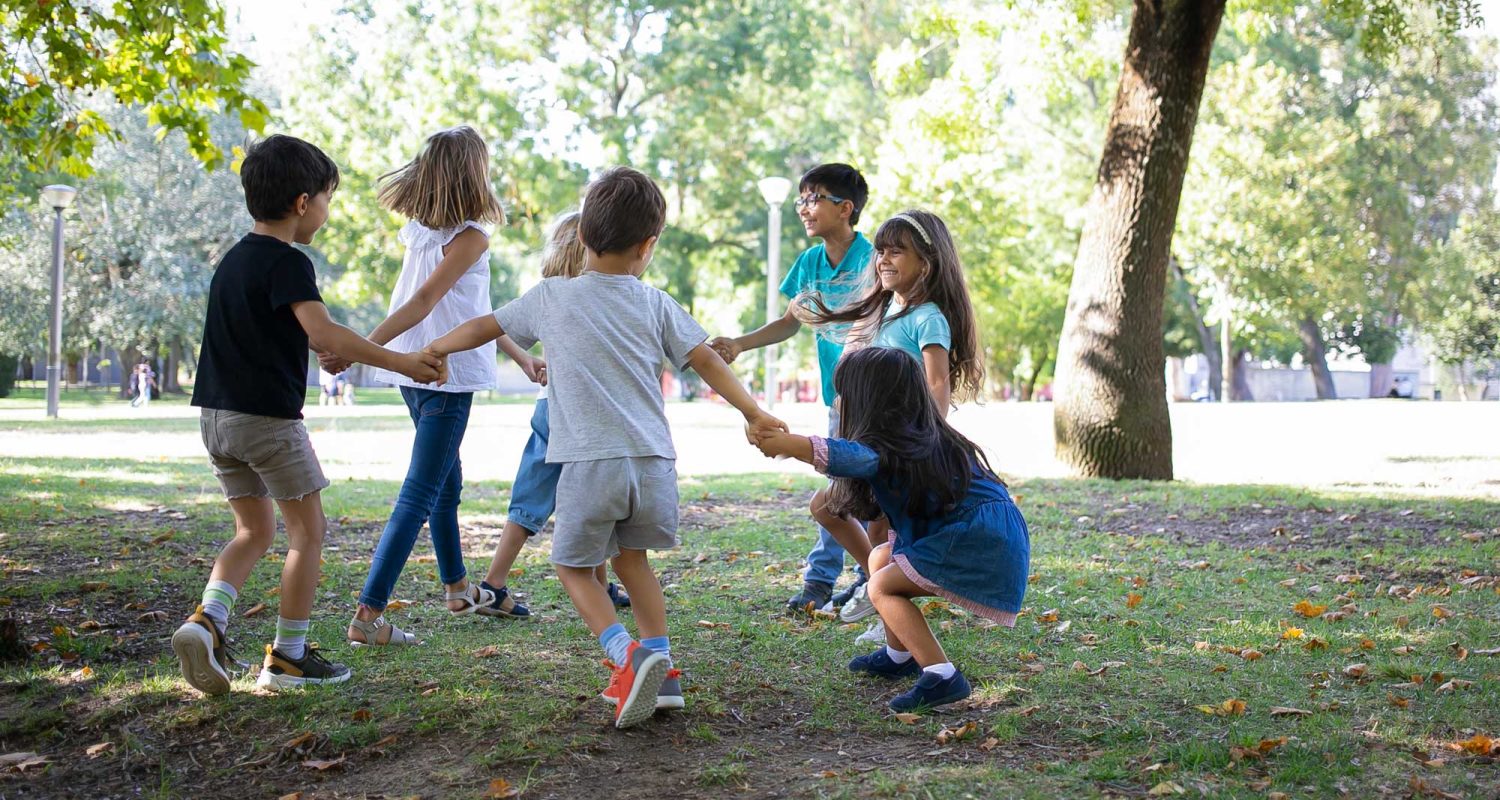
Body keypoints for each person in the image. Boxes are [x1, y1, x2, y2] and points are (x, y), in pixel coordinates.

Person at [424, 166, 786, 728]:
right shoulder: (655, 302)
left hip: (591, 464)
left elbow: (484, 326)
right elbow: (707, 359)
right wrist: (754, 411)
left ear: (582, 238)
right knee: (633, 563)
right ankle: (663, 672)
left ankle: (626, 656)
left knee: (571, 565)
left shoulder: (551, 297)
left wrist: (438, 347)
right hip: (654, 464)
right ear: (648, 246)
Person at [171, 134, 442, 695]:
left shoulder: (232, 262)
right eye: (326, 198)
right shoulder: (289, 262)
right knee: (307, 533)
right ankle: (288, 657)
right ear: (302, 203)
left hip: (216, 420)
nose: (326, 209)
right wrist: (403, 362)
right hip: (267, 423)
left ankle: (209, 621)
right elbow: (322, 333)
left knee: (252, 530)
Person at [323, 127, 525, 647]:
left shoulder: (420, 230)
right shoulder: (470, 236)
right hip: (442, 373)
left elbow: (475, 310)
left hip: (415, 371)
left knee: (447, 484)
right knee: (421, 491)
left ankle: (457, 590)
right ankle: (367, 616)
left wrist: (521, 355)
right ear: (473, 173)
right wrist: (357, 347)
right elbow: (421, 304)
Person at [753, 347, 1028, 712]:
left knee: (881, 586)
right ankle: (899, 656)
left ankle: (942, 675)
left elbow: (852, 456)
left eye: (844, 394)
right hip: (981, 535)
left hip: (976, 540)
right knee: (880, 558)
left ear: (870, 402)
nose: (837, 403)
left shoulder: (891, 447)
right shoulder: (918, 438)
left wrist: (793, 445)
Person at [797, 209, 984, 642]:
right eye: (880, 250)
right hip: (868, 442)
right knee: (827, 507)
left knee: (882, 530)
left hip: (903, 448)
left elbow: (938, 382)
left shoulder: (928, 317)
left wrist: (932, 440)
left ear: (927, 263)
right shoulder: (883, 312)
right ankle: (872, 584)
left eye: (897, 251)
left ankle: (886, 617)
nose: (883, 258)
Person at [709, 163, 873, 615]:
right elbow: (789, 323)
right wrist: (739, 343)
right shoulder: (808, 264)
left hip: (874, 400)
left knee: (845, 490)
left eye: (813, 198)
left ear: (845, 208)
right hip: (836, 399)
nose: (804, 208)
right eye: (801, 199)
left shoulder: (874, 259)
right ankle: (863, 576)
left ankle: (828, 581)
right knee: (844, 489)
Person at [473, 211, 633, 621]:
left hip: (549, 406)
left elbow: (497, 324)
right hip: (581, 413)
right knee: (593, 494)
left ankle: (495, 583)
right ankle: (593, 583)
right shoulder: (598, 294)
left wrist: (528, 358)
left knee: (532, 496)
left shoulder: (549, 292)